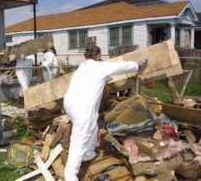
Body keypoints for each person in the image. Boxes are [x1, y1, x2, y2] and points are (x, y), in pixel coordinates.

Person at [63, 45, 147, 181]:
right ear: (97, 55)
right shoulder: (100, 67)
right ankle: (70, 175)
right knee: (79, 139)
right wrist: (136, 65)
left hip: (70, 103)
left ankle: (88, 154)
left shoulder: (82, 67)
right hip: (82, 107)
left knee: (92, 126)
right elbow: (121, 66)